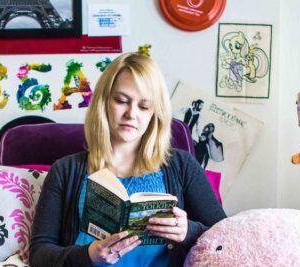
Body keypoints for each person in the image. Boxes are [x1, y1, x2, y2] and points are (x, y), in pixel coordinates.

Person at [29, 52, 226, 267]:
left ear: (155, 113)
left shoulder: (182, 166)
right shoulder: (65, 170)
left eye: (143, 106)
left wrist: (189, 231)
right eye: (122, 101)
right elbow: (39, 255)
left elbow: (226, 236)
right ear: (104, 102)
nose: (131, 114)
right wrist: (88, 255)